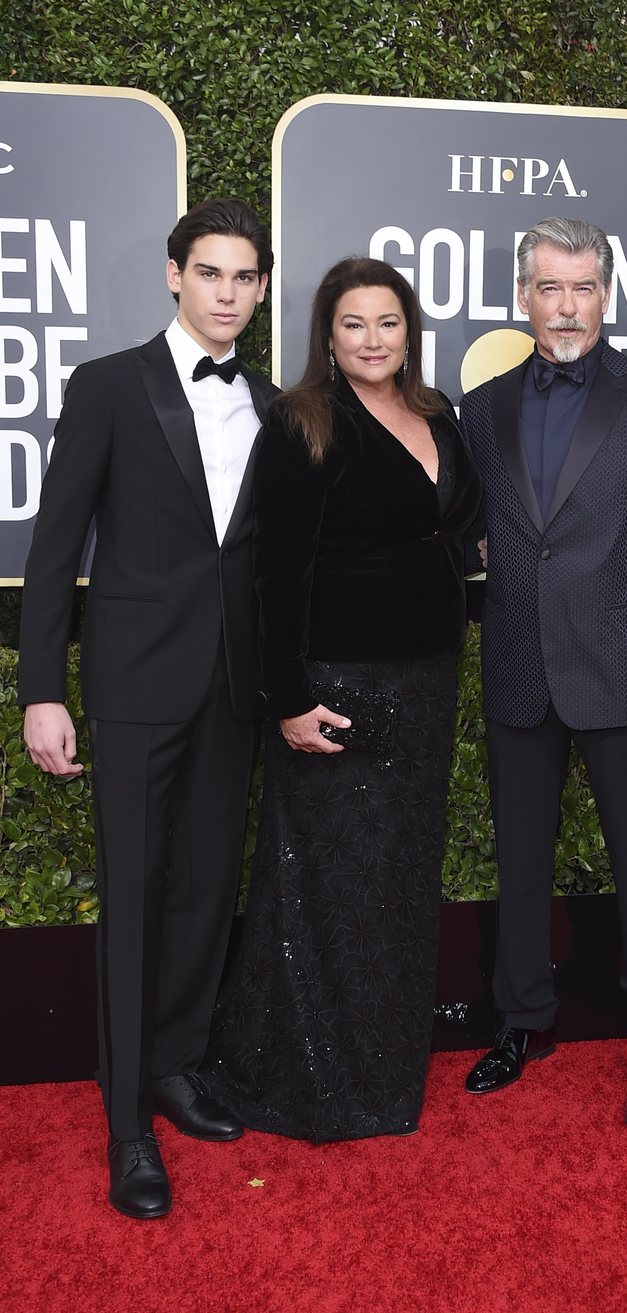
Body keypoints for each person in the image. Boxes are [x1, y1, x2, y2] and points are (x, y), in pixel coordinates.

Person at [18, 199, 277, 1218]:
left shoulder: (265, 398)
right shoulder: (108, 386)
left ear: (259, 289)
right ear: (174, 275)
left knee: (204, 891)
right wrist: (43, 688)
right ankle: (127, 1124)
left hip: (231, 688)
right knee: (131, 898)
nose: (226, 291)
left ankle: (177, 1064)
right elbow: (54, 549)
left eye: (244, 276)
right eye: (210, 272)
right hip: (131, 689)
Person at [203, 257, 482, 1141]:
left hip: (428, 680)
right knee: (327, 888)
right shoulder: (301, 422)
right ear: (327, 334)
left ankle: (384, 1068)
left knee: (398, 884)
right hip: (338, 688)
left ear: (410, 331)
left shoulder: (439, 413)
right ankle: (308, 1081)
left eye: (388, 323)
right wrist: (288, 697)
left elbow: (456, 525)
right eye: (354, 324)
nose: (373, 340)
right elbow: (275, 571)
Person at [459, 217, 627, 1132]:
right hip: (522, 663)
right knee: (519, 859)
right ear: (523, 296)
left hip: (626, 671)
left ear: (608, 295)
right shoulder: (480, 408)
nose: (567, 306)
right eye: (550, 288)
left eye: (584, 288)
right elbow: (467, 524)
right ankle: (522, 1018)